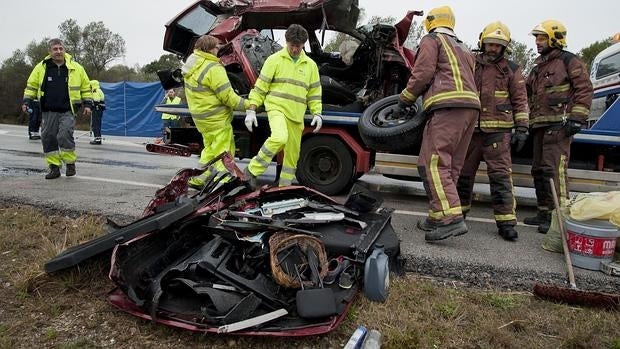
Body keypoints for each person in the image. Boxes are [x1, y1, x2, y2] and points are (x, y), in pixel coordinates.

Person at [396, 6, 480, 241]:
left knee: (433, 163)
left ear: (431, 22)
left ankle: (450, 219)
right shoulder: (463, 47)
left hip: (447, 106)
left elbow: (422, 72)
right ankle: (437, 215)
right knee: (450, 166)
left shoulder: (432, 39)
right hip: (470, 108)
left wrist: (406, 97)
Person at [455, 22, 529, 241]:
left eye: (498, 45)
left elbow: (520, 99)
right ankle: (458, 216)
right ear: (482, 42)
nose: (493, 48)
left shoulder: (511, 68)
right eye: (490, 44)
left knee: (500, 178)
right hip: (471, 131)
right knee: (462, 176)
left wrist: (522, 127)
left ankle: (506, 223)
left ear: (504, 47)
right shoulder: (469, 62)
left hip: (499, 132)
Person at [523, 20, 593, 233]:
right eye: (536, 37)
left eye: (541, 37)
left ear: (555, 38)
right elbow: (525, 93)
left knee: (555, 171)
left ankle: (559, 219)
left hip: (560, 125)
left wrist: (577, 117)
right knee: (539, 170)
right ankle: (544, 212)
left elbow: (584, 88)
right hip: (539, 126)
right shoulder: (538, 67)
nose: (537, 42)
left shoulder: (569, 61)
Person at [243, 24, 323, 189]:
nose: (294, 49)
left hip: (296, 114)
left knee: (293, 155)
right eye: (292, 45)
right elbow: (261, 87)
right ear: (287, 42)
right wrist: (251, 109)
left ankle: (284, 187)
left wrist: (317, 113)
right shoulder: (274, 60)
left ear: (303, 45)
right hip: (276, 108)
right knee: (279, 137)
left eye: (298, 46)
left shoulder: (311, 65)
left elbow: (314, 92)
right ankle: (252, 170)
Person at [182, 35, 249, 190]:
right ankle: (223, 182)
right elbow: (229, 99)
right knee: (223, 152)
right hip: (217, 118)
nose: (219, 50)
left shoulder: (191, 65)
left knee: (210, 149)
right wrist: (250, 105)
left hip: (202, 119)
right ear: (210, 49)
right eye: (217, 47)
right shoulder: (213, 68)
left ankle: (200, 177)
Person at [22, 38, 92, 179]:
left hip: (68, 109)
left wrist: (88, 104)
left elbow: (86, 86)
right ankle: (54, 167)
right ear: (50, 51)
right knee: (48, 137)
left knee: (64, 135)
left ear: (65, 50)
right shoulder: (41, 67)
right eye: (55, 49)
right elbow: (31, 86)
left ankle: (70, 163)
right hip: (48, 110)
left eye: (61, 48)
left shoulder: (76, 68)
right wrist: (26, 101)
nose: (58, 51)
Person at [89, 80, 106, 145]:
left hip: (97, 109)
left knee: (95, 124)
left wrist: (91, 106)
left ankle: (97, 139)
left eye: (90, 86)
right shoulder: (99, 90)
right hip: (99, 109)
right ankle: (98, 138)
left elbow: (96, 100)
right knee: (97, 124)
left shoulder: (95, 90)